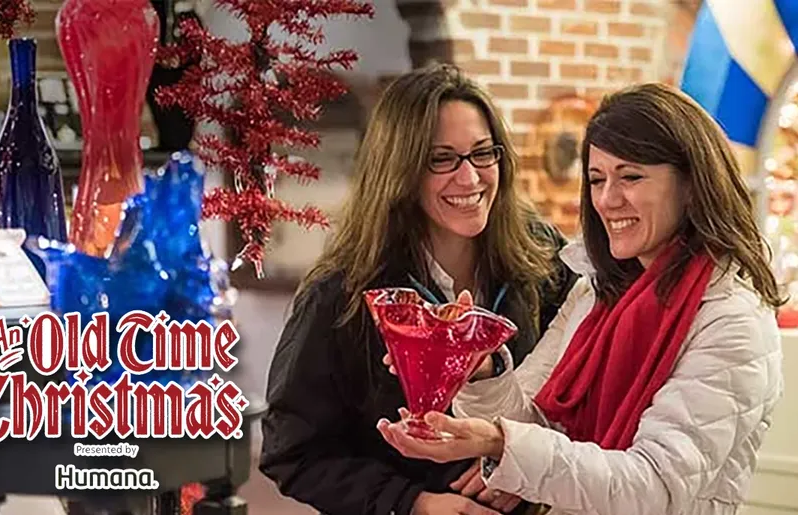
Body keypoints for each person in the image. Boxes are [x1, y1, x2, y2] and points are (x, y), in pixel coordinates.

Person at [377, 82, 786, 515]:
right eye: (596, 179)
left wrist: (500, 442)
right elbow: (535, 424)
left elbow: (654, 487)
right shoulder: (596, 293)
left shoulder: (732, 321)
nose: (608, 200)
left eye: (631, 176)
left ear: (691, 183)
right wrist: (484, 370)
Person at [259, 63, 578, 515]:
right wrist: (415, 504)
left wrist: (530, 463)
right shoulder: (342, 295)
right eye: (441, 159)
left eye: (483, 153)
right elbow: (292, 451)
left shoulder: (545, 259)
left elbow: (589, 393)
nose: (469, 179)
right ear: (400, 171)